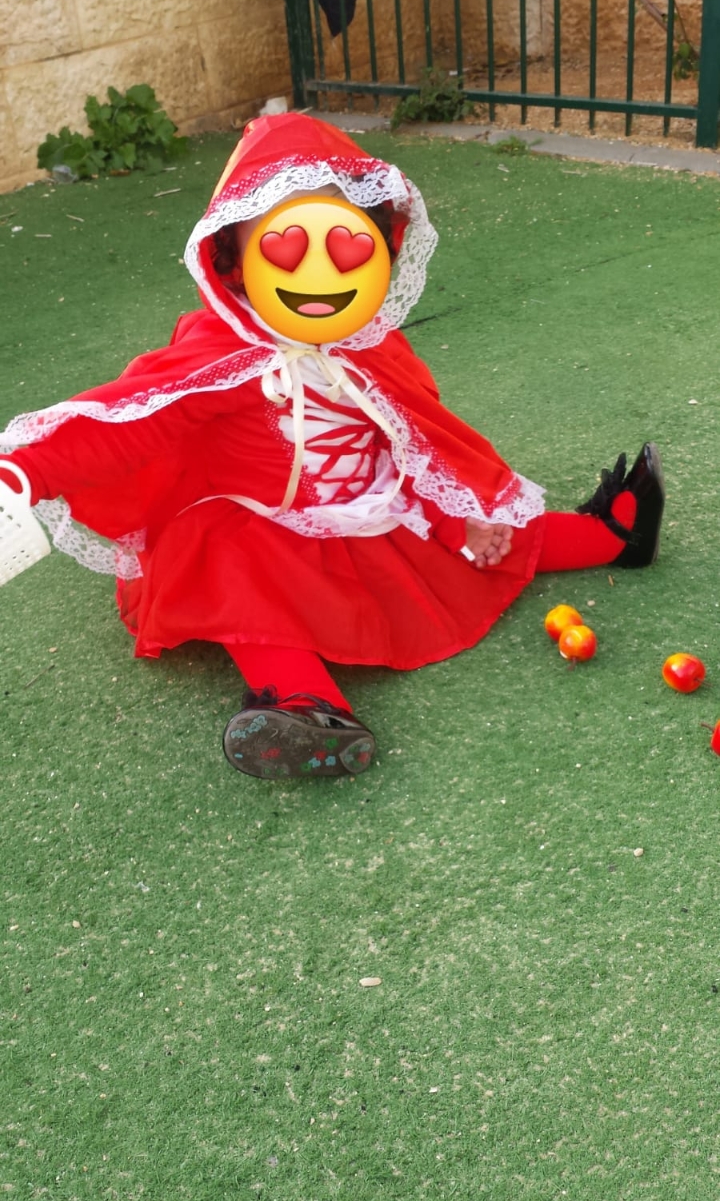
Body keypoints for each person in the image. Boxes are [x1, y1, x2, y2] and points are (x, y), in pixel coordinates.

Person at [0, 113, 664, 779]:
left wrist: (450, 516)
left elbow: (417, 445)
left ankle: (610, 537)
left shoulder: (375, 348)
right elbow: (126, 422)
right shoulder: (223, 357)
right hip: (264, 529)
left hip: (373, 515)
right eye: (286, 245)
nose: (318, 272)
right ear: (234, 259)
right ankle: (308, 709)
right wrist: (24, 472)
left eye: (345, 245)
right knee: (223, 558)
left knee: (484, 534)